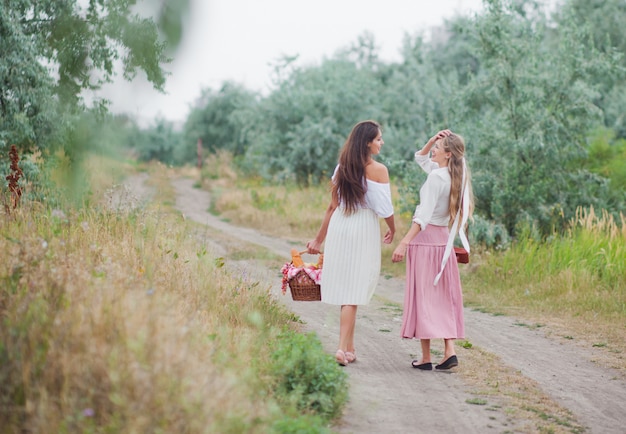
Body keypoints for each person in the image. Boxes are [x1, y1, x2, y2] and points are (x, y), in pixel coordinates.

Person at [307, 120, 396, 366]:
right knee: (353, 291)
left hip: (340, 226)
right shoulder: (378, 170)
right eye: (378, 139)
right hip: (362, 228)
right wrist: (393, 228)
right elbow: (384, 208)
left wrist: (318, 239)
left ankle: (350, 347)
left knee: (349, 289)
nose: (382, 142)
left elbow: (331, 206)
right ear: (367, 142)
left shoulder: (341, 168)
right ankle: (339, 348)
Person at [392, 129, 473, 370]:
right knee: (443, 296)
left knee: (424, 297)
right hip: (443, 241)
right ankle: (449, 350)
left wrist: (404, 241)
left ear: (448, 154)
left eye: (438, 147)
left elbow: (422, 217)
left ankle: (426, 357)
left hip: (425, 242)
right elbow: (421, 158)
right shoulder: (452, 175)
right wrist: (431, 141)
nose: (432, 150)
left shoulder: (436, 178)